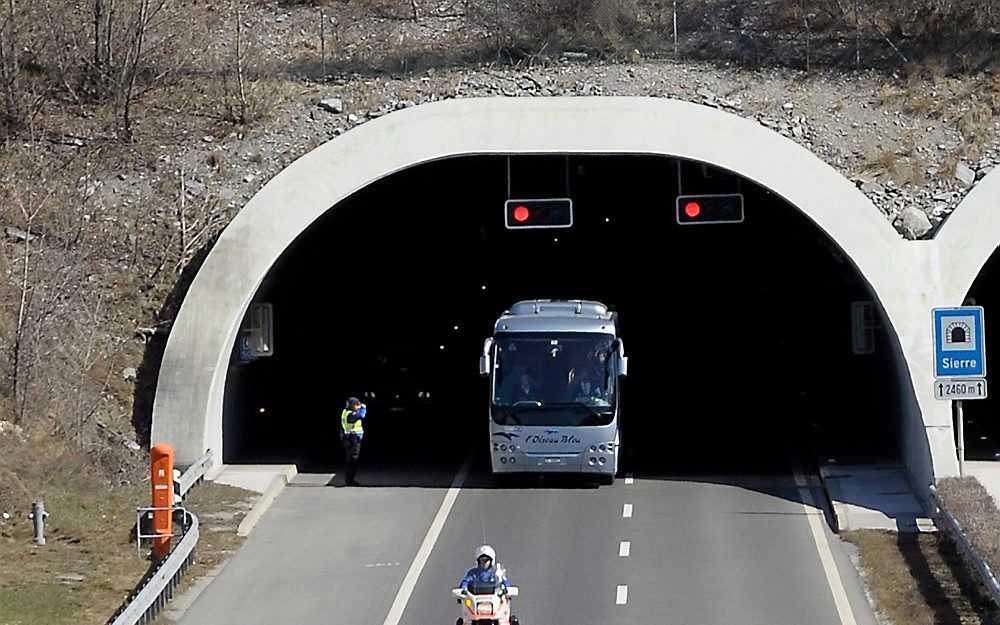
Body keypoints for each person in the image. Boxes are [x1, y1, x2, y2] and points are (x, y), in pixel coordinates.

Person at [458, 545, 519, 625]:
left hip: (494, 600)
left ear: (491, 561)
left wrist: (507, 589)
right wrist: (462, 591)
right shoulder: (473, 573)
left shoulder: (496, 572)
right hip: (476, 601)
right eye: (482, 560)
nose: (484, 563)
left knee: (512, 621)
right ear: (478, 561)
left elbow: (505, 582)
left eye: (486, 560)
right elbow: (465, 582)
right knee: (462, 622)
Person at [340, 396, 366, 486]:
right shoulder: (350, 414)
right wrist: (363, 408)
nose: (358, 406)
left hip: (349, 437)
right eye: (356, 405)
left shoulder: (345, 411)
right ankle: (350, 480)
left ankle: (350, 479)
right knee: (353, 459)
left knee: (351, 459)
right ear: (352, 405)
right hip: (353, 438)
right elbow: (361, 415)